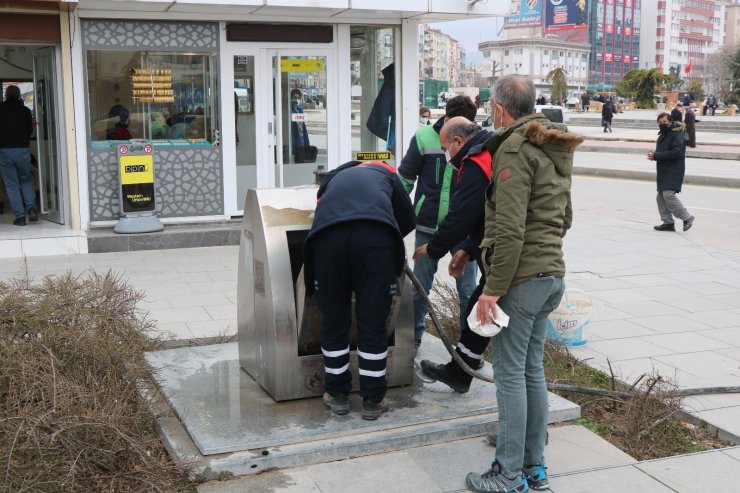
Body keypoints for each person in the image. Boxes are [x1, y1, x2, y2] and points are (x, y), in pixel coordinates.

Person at [419, 75, 581, 493]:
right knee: (531, 372)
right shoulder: (552, 145)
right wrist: (475, 251)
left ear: (500, 109)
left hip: (520, 281)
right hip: (551, 276)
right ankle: (533, 468)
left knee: (511, 376)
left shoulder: (513, 149)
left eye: (491, 105)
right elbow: (563, 219)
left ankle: (508, 474)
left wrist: (492, 290)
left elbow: (508, 230)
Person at [303, 160, 414, 420]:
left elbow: (323, 209)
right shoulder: (387, 174)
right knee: (372, 322)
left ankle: (337, 394)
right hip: (375, 243)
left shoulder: (333, 179)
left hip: (328, 242)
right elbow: (408, 219)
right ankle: (373, 400)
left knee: (334, 319)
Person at [398, 96, 480, 350]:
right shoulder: (423, 137)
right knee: (420, 287)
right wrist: (395, 215)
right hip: (427, 226)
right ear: (446, 119)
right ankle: (413, 336)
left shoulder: (474, 143)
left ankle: (467, 344)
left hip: (463, 231)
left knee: (468, 290)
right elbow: (405, 178)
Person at [411, 116, 492, 345]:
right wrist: (467, 247)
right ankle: (464, 363)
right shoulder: (484, 150)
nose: (446, 154)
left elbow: (462, 215)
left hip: (501, 254)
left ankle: (467, 362)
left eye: (446, 148)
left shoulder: (476, 161)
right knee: (478, 305)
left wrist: (435, 246)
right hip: (480, 244)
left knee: (476, 301)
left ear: (458, 141)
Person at [647, 113, 694, 233]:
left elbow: (677, 152)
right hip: (664, 169)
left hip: (674, 170)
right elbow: (663, 151)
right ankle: (668, 223)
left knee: (668, 195)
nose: (662, 124)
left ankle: (687, 217)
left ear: (670, 121)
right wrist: (654, 156)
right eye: (660, 122)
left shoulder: (677, 134)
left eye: (664, 122)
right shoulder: (663, 134)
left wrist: (656, 155)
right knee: (660, 197)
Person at [0, 85, 37, 226]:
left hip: (5, 151)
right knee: (26, 180)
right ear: (19, 95)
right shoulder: (26, 111)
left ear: (6, 95)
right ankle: (32, 209)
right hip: (23, 150)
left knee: (11, 185)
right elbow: (29, 130)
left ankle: (20, 217)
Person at [290, 88, 311, 162]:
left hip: (301, 136)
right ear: (291, 98)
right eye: (294, 98)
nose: (296, 100)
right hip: (292, 135)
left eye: (298, 98)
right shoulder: (288, 109)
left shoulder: (300, 109)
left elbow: (302, 124)